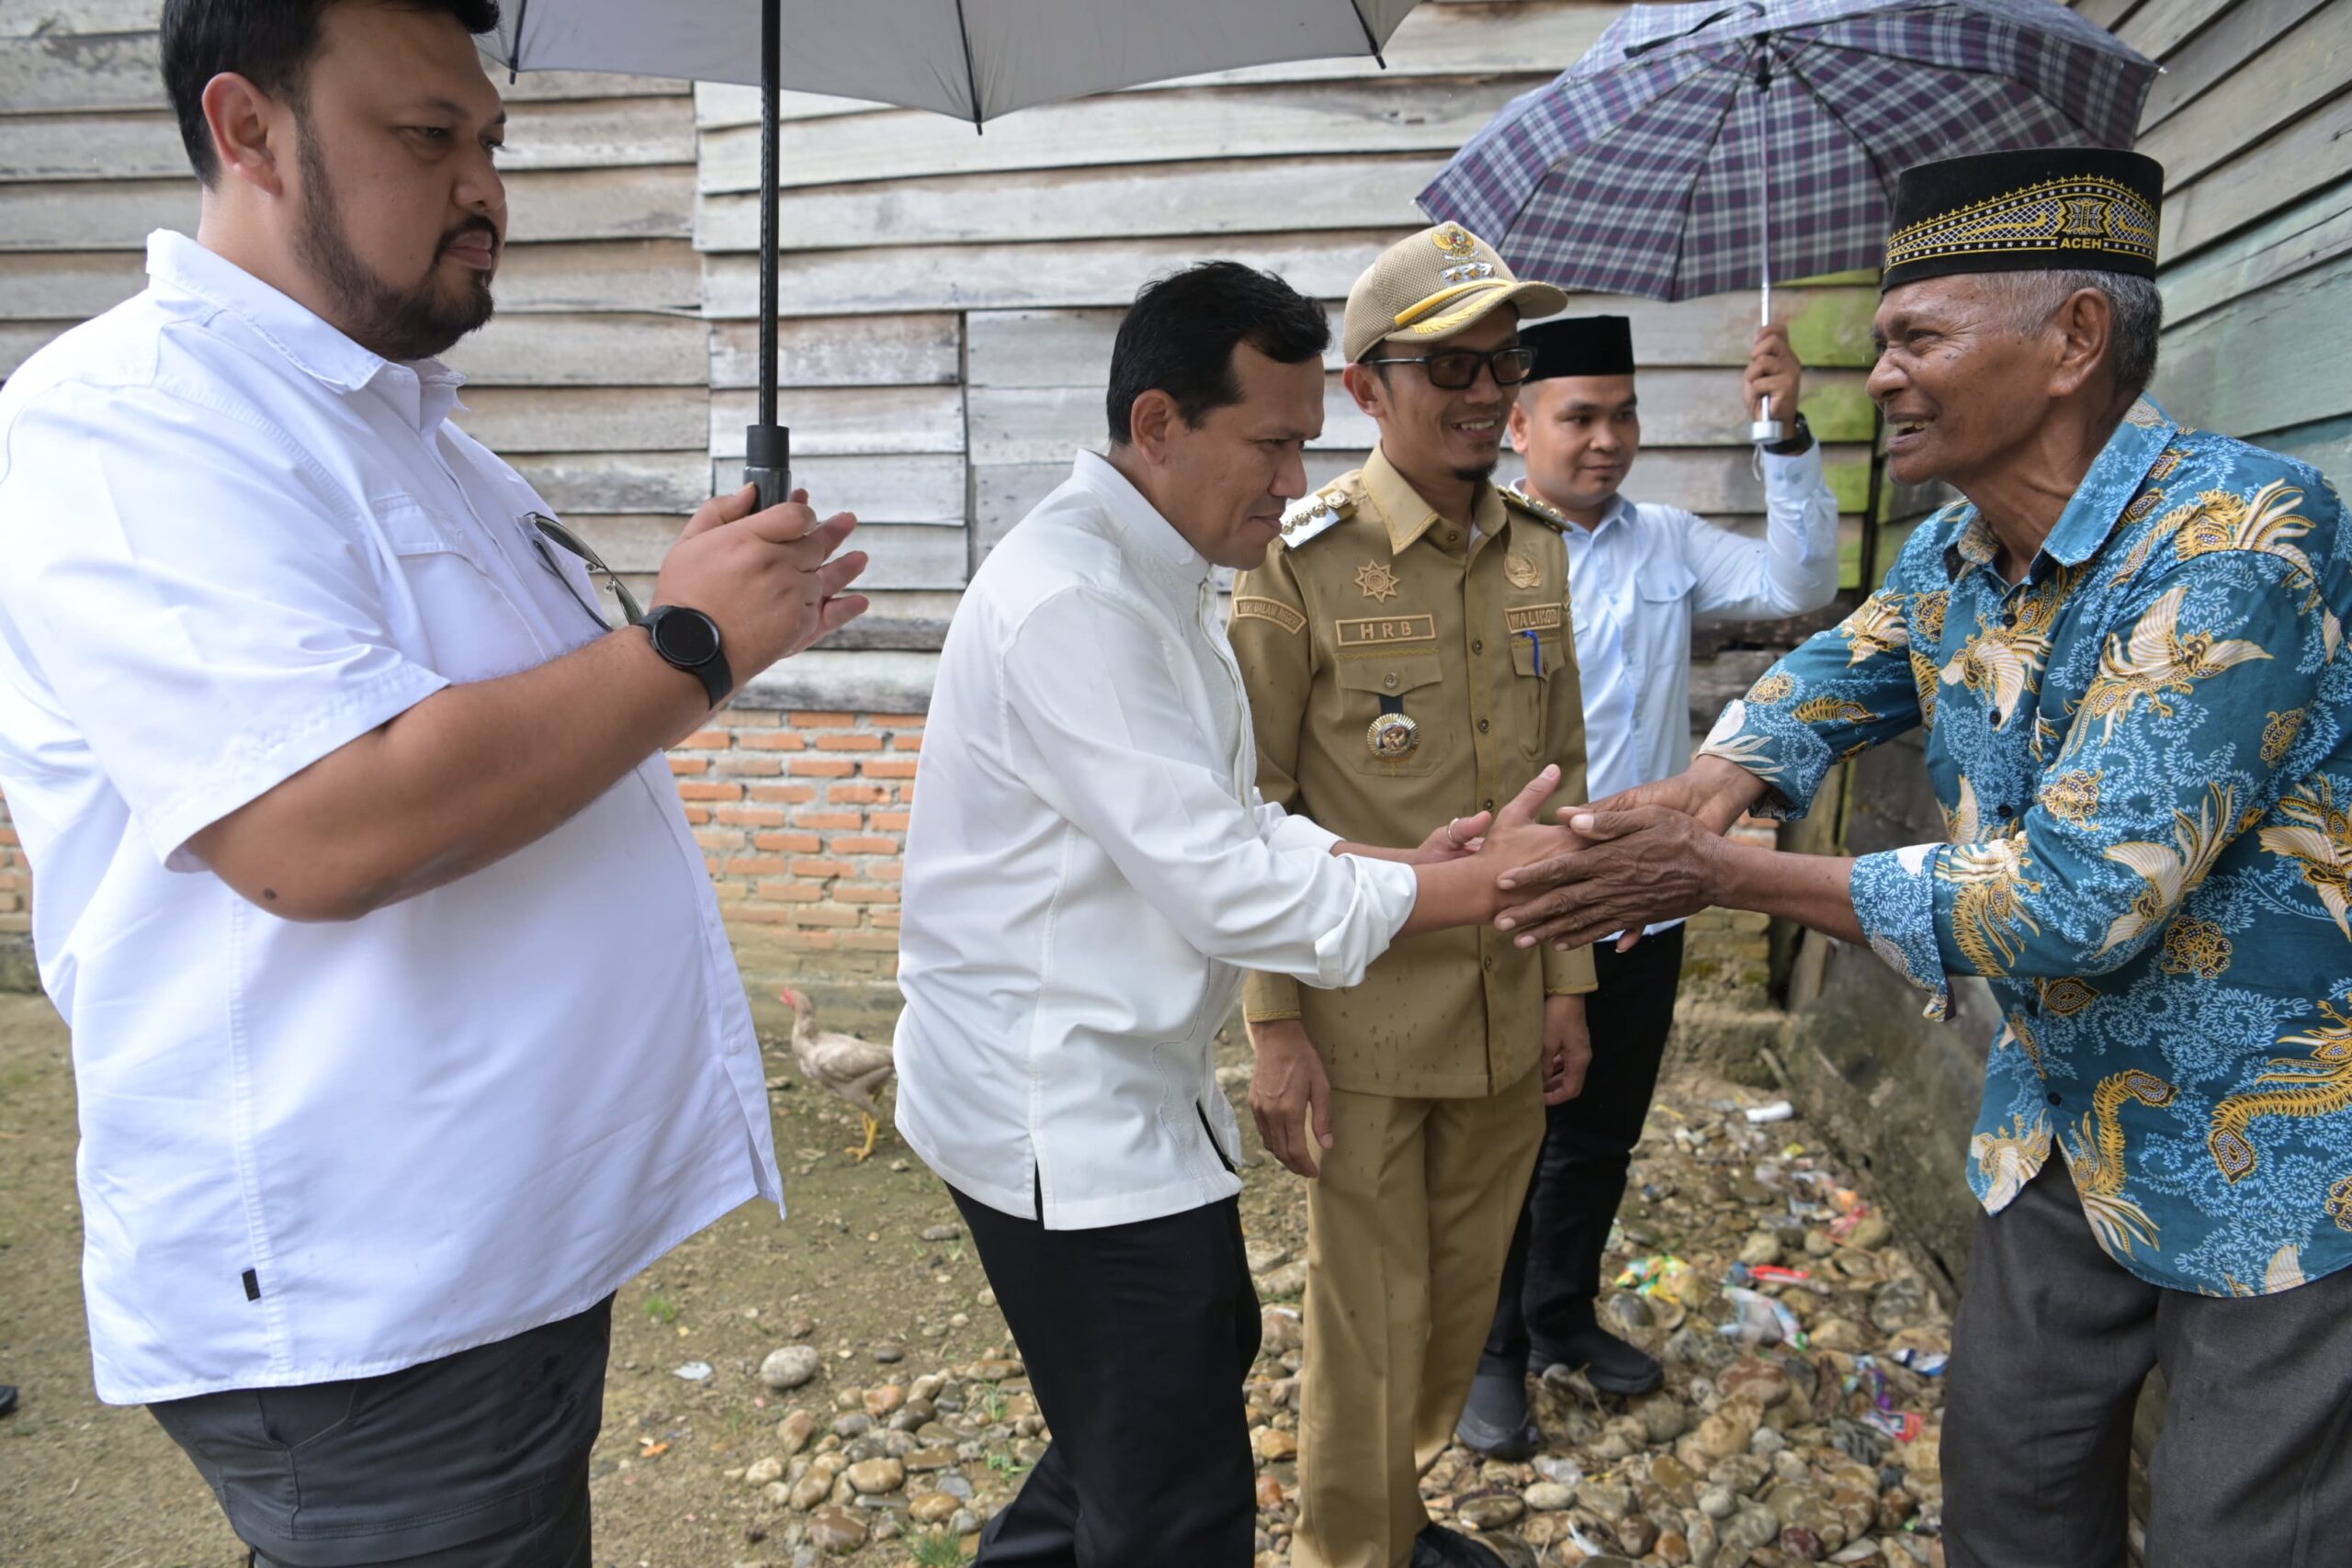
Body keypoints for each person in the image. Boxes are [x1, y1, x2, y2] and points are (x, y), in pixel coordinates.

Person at [0, 3, 867, 1562]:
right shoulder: (126, 425)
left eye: (493, 143)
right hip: (366, 1306)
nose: (485, 185)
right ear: (249, 130)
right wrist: (686, 646)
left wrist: (712, 608)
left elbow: (543, 723)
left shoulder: (417, 438)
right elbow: (323, 822)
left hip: (490, 1256)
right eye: (428, 137)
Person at [1491, 148, 2352, 1565]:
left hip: (2270, 1134)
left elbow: (2076, 899)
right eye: (1880, 342)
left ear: (2073, 341)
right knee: (2008, 1486)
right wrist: (1703, 793)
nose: (1878, 376)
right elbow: (1842, 662)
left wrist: (1725, 877)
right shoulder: (1962, 550)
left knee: (2238, 1528)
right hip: (2063, 1111)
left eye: (1918, 339)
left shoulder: (2239, 539)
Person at [892, 260, 1589, 1568]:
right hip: (1060, 1107)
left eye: (1301, 444)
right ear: (1160, 424)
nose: (1289, 477)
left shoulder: (1156, 572)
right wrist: (1480, 882)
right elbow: (1224, 874)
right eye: (1269, 443)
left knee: (1180, 1374)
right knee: (1178, 1506)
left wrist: (1403, 852)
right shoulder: (1076, 600)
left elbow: (1239, 819)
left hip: (1123, 1084)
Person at [1225, 223, 1596, 1568]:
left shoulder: (1537, 550)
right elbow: (1247, 817)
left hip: (1506, 1005)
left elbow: (1570, 785)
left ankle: (1398, 1504)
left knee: (1451, 1308)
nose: (1488, 394)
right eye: (1450, 367)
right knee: (1365, 1317)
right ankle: (1351, 1546)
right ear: (1370, 388)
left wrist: (1569, 980)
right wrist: (1272, 1024)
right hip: (1362, 1021)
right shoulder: (1298, 561)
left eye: (1503, 363)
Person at [1457, 312, 1840, 1438]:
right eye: (1580, 417)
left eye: (1623, 416)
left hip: (1647, 888)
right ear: (1520, 423)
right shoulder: (1477, 549)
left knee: (1605, 1125)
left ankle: (1560, 1311)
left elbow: (1794, 577)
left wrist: (1783, 432)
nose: (1607, 440)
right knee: (1514, 1125)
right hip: (1525, 891)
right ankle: (1491, 1348)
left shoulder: (1665, 539)